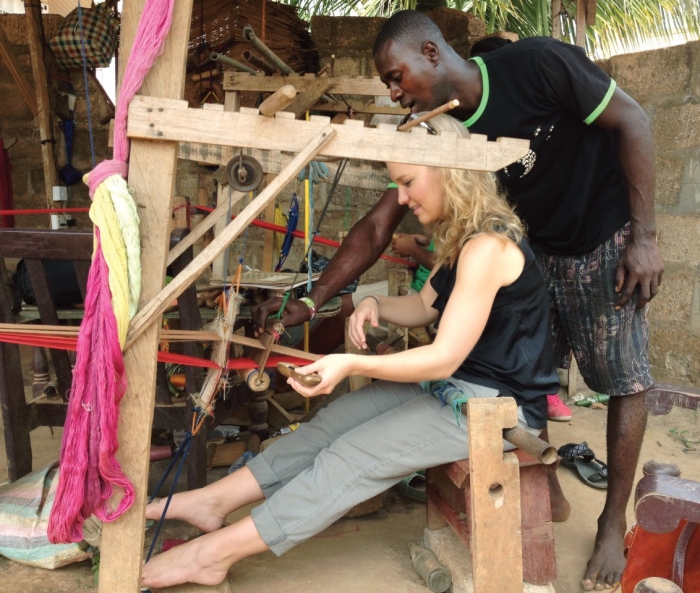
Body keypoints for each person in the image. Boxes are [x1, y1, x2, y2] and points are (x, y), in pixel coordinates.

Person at [252, 11, 664, 591]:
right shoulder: (442, 128)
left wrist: (643, 238)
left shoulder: (538, 64)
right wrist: (315, 299)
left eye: (397, 77)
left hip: (605, 233)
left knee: (623, 377)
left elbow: (636, 122)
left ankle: (610, 519)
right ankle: (540, 489)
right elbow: (378, 225)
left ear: (431, 52)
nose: (395, 93)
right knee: (529, 372)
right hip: (537, 246)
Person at [140, 113, 560, 590]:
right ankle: (212, 501)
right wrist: (371, 302)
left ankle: (212, 556)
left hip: (494, 406)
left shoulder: (488, 246)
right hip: (455, 388)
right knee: (331, 426)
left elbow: (442, 356)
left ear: (449, 172)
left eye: (406, 182)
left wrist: (353, 361)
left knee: (352, 456)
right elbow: (426, 305)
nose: (401, 198)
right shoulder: (465, 237)